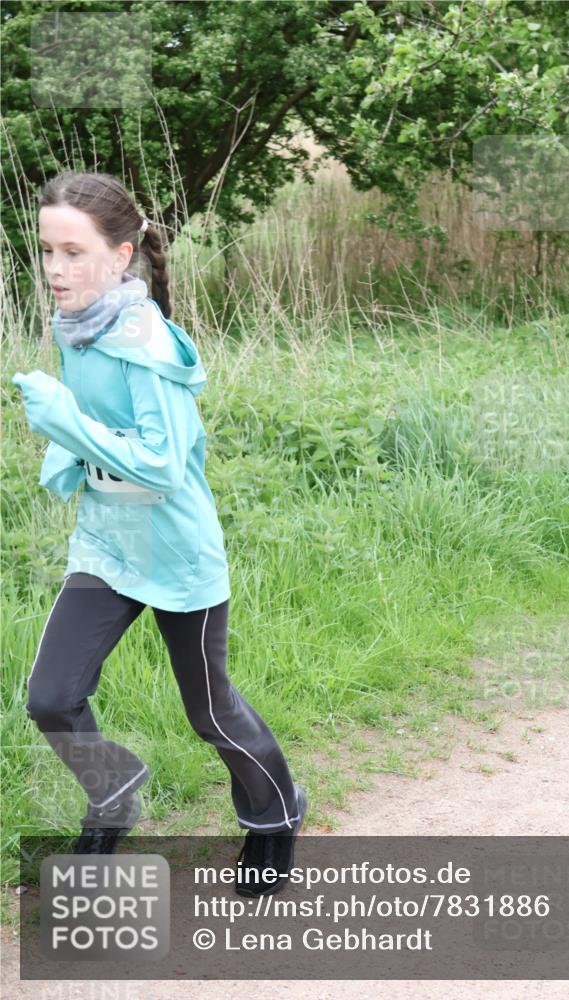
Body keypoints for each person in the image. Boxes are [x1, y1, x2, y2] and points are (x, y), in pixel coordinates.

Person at [12, 170, 307, 897]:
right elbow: (99, 422)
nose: (55, 269)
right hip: (108, 546)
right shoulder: (76, 322)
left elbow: (164, 464)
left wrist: (64, 423)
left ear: (121, 255)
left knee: (210, 712)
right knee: (51, 697)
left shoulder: (146, 341)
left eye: (74, 253)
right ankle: (114, 791)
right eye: (46, 250)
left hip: (175, 552)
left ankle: (276, 815)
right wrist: (68, 452)